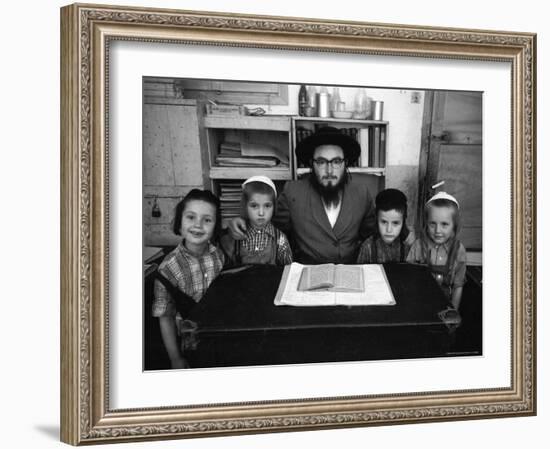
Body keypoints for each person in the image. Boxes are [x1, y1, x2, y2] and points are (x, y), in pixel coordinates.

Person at [226, 127, 376, 264]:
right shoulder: (293, 192)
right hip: (307, 272)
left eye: (336, 161)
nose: (329, 170)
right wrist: (242, 220)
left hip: (350, 271)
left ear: (346, 163)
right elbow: (267, 222)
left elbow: (373, 234)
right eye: (322, 162)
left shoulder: (361, 193)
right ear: (312, 163)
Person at [152, 189, 225, 369]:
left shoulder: (218, 256)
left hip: (218, 338)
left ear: (215, 226)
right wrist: (175, 358)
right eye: (191, 217)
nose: (198, 225)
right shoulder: (168, 269)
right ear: (180, 221)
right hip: (190, 346)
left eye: (207, 220)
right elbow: (166, 317)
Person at [406, 192, 467, 310]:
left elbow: (458, 286)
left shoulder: (459, 250)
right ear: (426, 223)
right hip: (419, 305)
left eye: (444, 224)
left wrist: (453, 312)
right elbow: (409, 280)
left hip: (445, 308)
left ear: (454, 225)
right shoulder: (418, 246)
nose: (437, 230)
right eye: (432, 224)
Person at [221, 175, 293, 266]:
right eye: (254, 206)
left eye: (267, 206)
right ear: (245, 206)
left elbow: (288, 271)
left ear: (274, 207)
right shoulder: (236, 237)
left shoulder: (280, 239)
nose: (261, 213)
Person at [356, 188, 412, 263]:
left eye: (395, 223)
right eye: (384, 222)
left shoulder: (408, 247)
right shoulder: (368, 247)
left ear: (403, 222)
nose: (389, 230)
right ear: (376, 219)